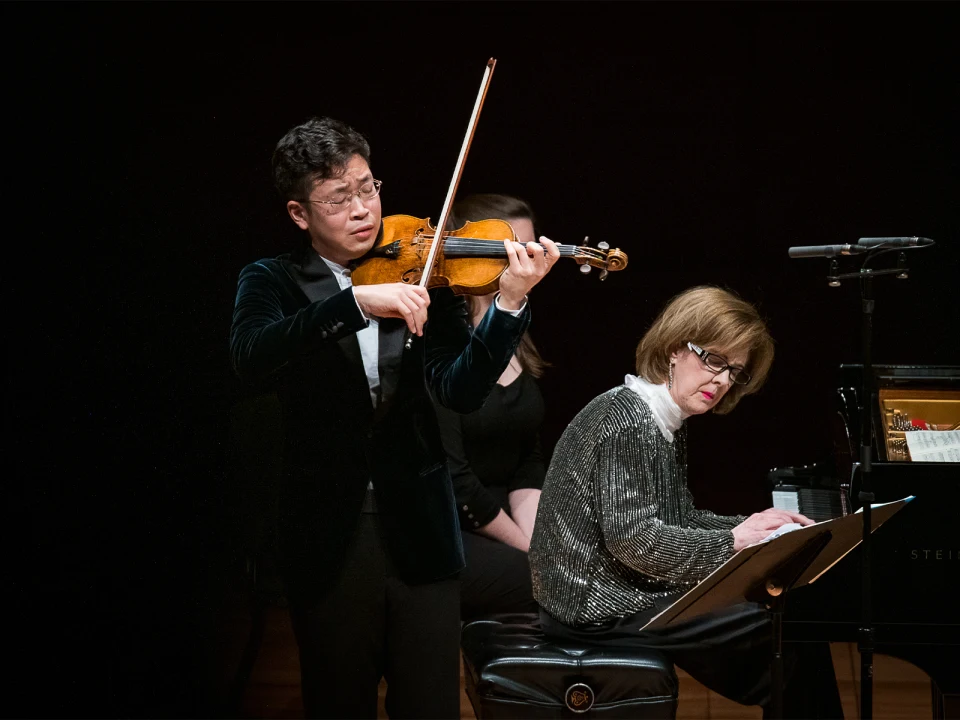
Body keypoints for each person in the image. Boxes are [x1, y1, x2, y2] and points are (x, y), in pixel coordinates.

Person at [230, 116, 560, 719]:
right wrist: (354, 302)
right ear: (300, 214)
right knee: (340, 702)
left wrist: (509, 304)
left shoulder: (422, 270)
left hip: (422, 532)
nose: (362, 209)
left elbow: (458, 390)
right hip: (332, 531)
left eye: (367, 187)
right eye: (338, 198)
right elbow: (252, 358)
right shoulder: (271, 281)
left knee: (430, 706)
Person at [528, 285, 843, 719]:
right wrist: (734, 541)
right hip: (594, 607)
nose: (721, 379)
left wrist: (755, 526)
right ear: (675, 349)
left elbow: (678, 517)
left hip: (621, 592)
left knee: (788, 625)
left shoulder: (662, 419)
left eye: (734, 371)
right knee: (780, 631)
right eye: (714, 359)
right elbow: (635, 542)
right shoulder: (628, 420)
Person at [434, 194, 548, 622]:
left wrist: (538, 536)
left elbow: (527, 458)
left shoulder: (515, 325)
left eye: (532, 247)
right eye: (517, 249)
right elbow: (455, 479)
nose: (531, 261)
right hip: (450, 527)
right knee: (542, 582)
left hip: (506, 518)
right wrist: (528, 547)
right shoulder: (441, 340)